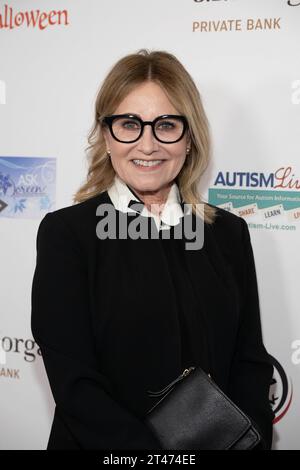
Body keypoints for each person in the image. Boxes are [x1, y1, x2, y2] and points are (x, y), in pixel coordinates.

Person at [31, 49, 274, 450]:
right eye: (129, 124)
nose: (148, 145)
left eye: (166, 125)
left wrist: (250, 443)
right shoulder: (67, 235)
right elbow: (76, 385)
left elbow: (249, 362)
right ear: (107, 135)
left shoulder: (229, 233)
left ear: (189, 136)